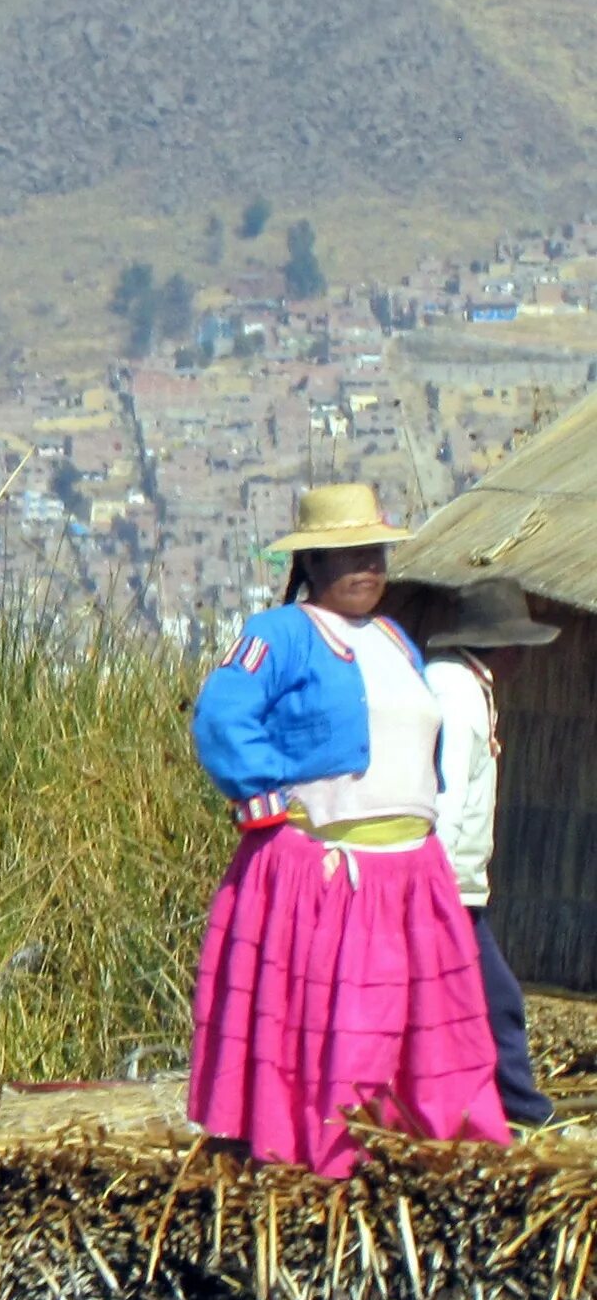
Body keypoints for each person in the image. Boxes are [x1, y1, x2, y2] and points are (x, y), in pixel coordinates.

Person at [188, 483, 506, 1178]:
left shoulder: (394, 639)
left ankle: (436, 1142)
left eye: (376, 552)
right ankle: (327, 1147)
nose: (368, 566)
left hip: (410, 870)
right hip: (331, 869)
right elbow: (222, 715)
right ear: (313, 564)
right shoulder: (282, 635)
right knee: (345, 1024)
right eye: (349, 555)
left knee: (435, 1019)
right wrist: (269, 802)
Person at [425, 576, 557, 1128]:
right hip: (446, 882)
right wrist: (438, 884)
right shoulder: (457, 696)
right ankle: (523, 1111)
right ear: (506, 648)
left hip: (453, 881)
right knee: (498, 1001)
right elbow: (448, 793)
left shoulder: (461, 685)